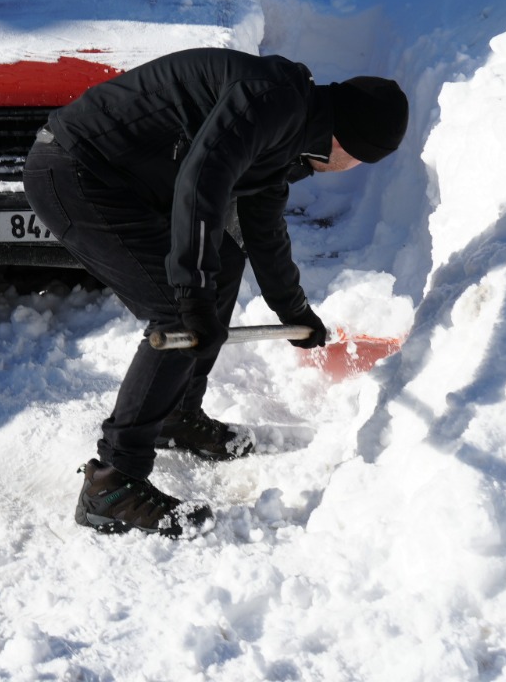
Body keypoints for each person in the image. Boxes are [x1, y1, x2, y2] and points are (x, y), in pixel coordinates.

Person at [23, 46, 409, 537]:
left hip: (121, 179)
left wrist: (294, 310)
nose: (355, 166)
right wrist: (191, 295)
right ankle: (113, 484)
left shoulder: (285, 127)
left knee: (224, 259)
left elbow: (262, 225)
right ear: (348, 140)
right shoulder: (272, 102)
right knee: (176, 313)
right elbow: (201, 183)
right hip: (75, 170)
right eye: (361, 157)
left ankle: (175, 415)